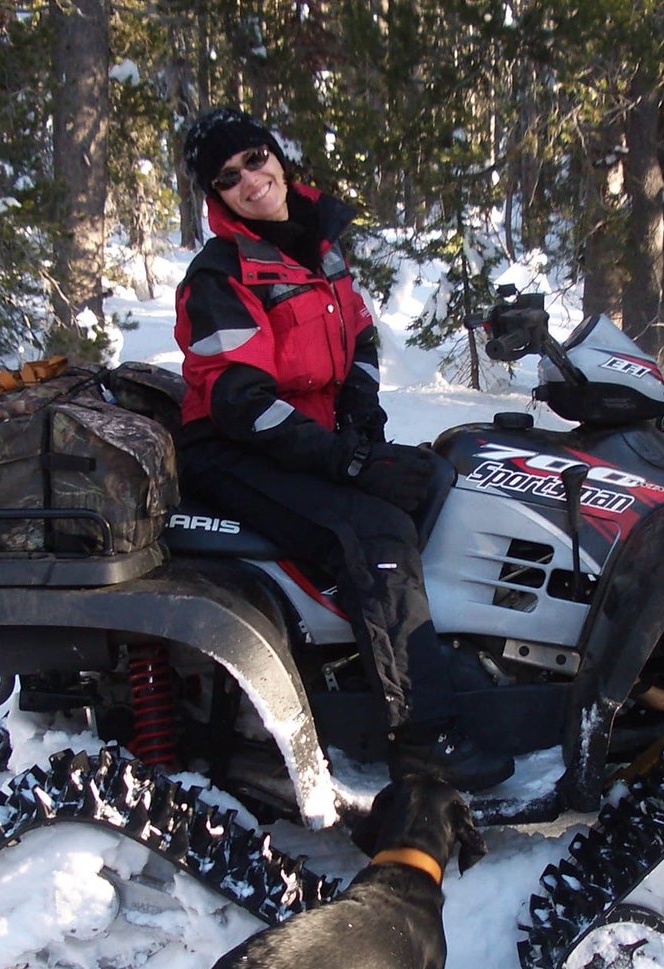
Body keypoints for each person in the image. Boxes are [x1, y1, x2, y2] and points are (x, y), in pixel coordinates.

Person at [174, 106, 513, 792]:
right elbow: (242, 404)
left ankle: (377, 658)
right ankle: (423, 736)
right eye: (228, 176)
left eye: (254, 158)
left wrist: (360, 419)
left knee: (431, 484)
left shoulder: (317, 244)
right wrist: (347, 462)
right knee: (376, 531)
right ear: (217, 195)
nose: (249, 179)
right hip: (233, 449)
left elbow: (356, 339)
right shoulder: (221, 274)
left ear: (277, 155)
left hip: (298, 437)